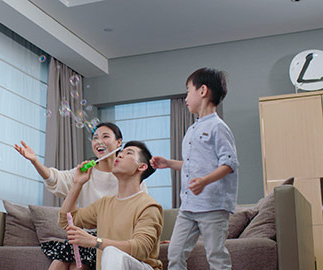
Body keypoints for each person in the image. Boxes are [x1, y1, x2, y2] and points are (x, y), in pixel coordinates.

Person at [15, 123, 148, 269]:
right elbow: (55, 179)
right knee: (63, 261)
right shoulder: (86, 173)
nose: (99, 141)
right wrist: (35, 161)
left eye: (105, 136)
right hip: (84, 234)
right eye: (95, 138)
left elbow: (141, 215)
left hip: (109, 237)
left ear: (118, 142)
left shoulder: (129, 177)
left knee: (76, 265)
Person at [150, 68, 239, 270]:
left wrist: (205, 181)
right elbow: (195, 165)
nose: (186, 98)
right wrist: (170, 163)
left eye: (188, 91)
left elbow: (229, 163)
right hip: (189, 206)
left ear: (203, 91)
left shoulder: (218, 127)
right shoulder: (192, 129)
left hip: (213, 206)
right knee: (175, 253)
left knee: (215, 255)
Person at [59, 141, 163, 270]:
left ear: (141, 167)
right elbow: (67, 220)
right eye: (120, 153)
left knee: (111, 252)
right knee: (110, 253)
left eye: (128, 153)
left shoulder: (149, 206)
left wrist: (94, 241)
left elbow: (140, 249)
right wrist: (77, 184)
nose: (119, 155)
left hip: (142, 267)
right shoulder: (104, 203)